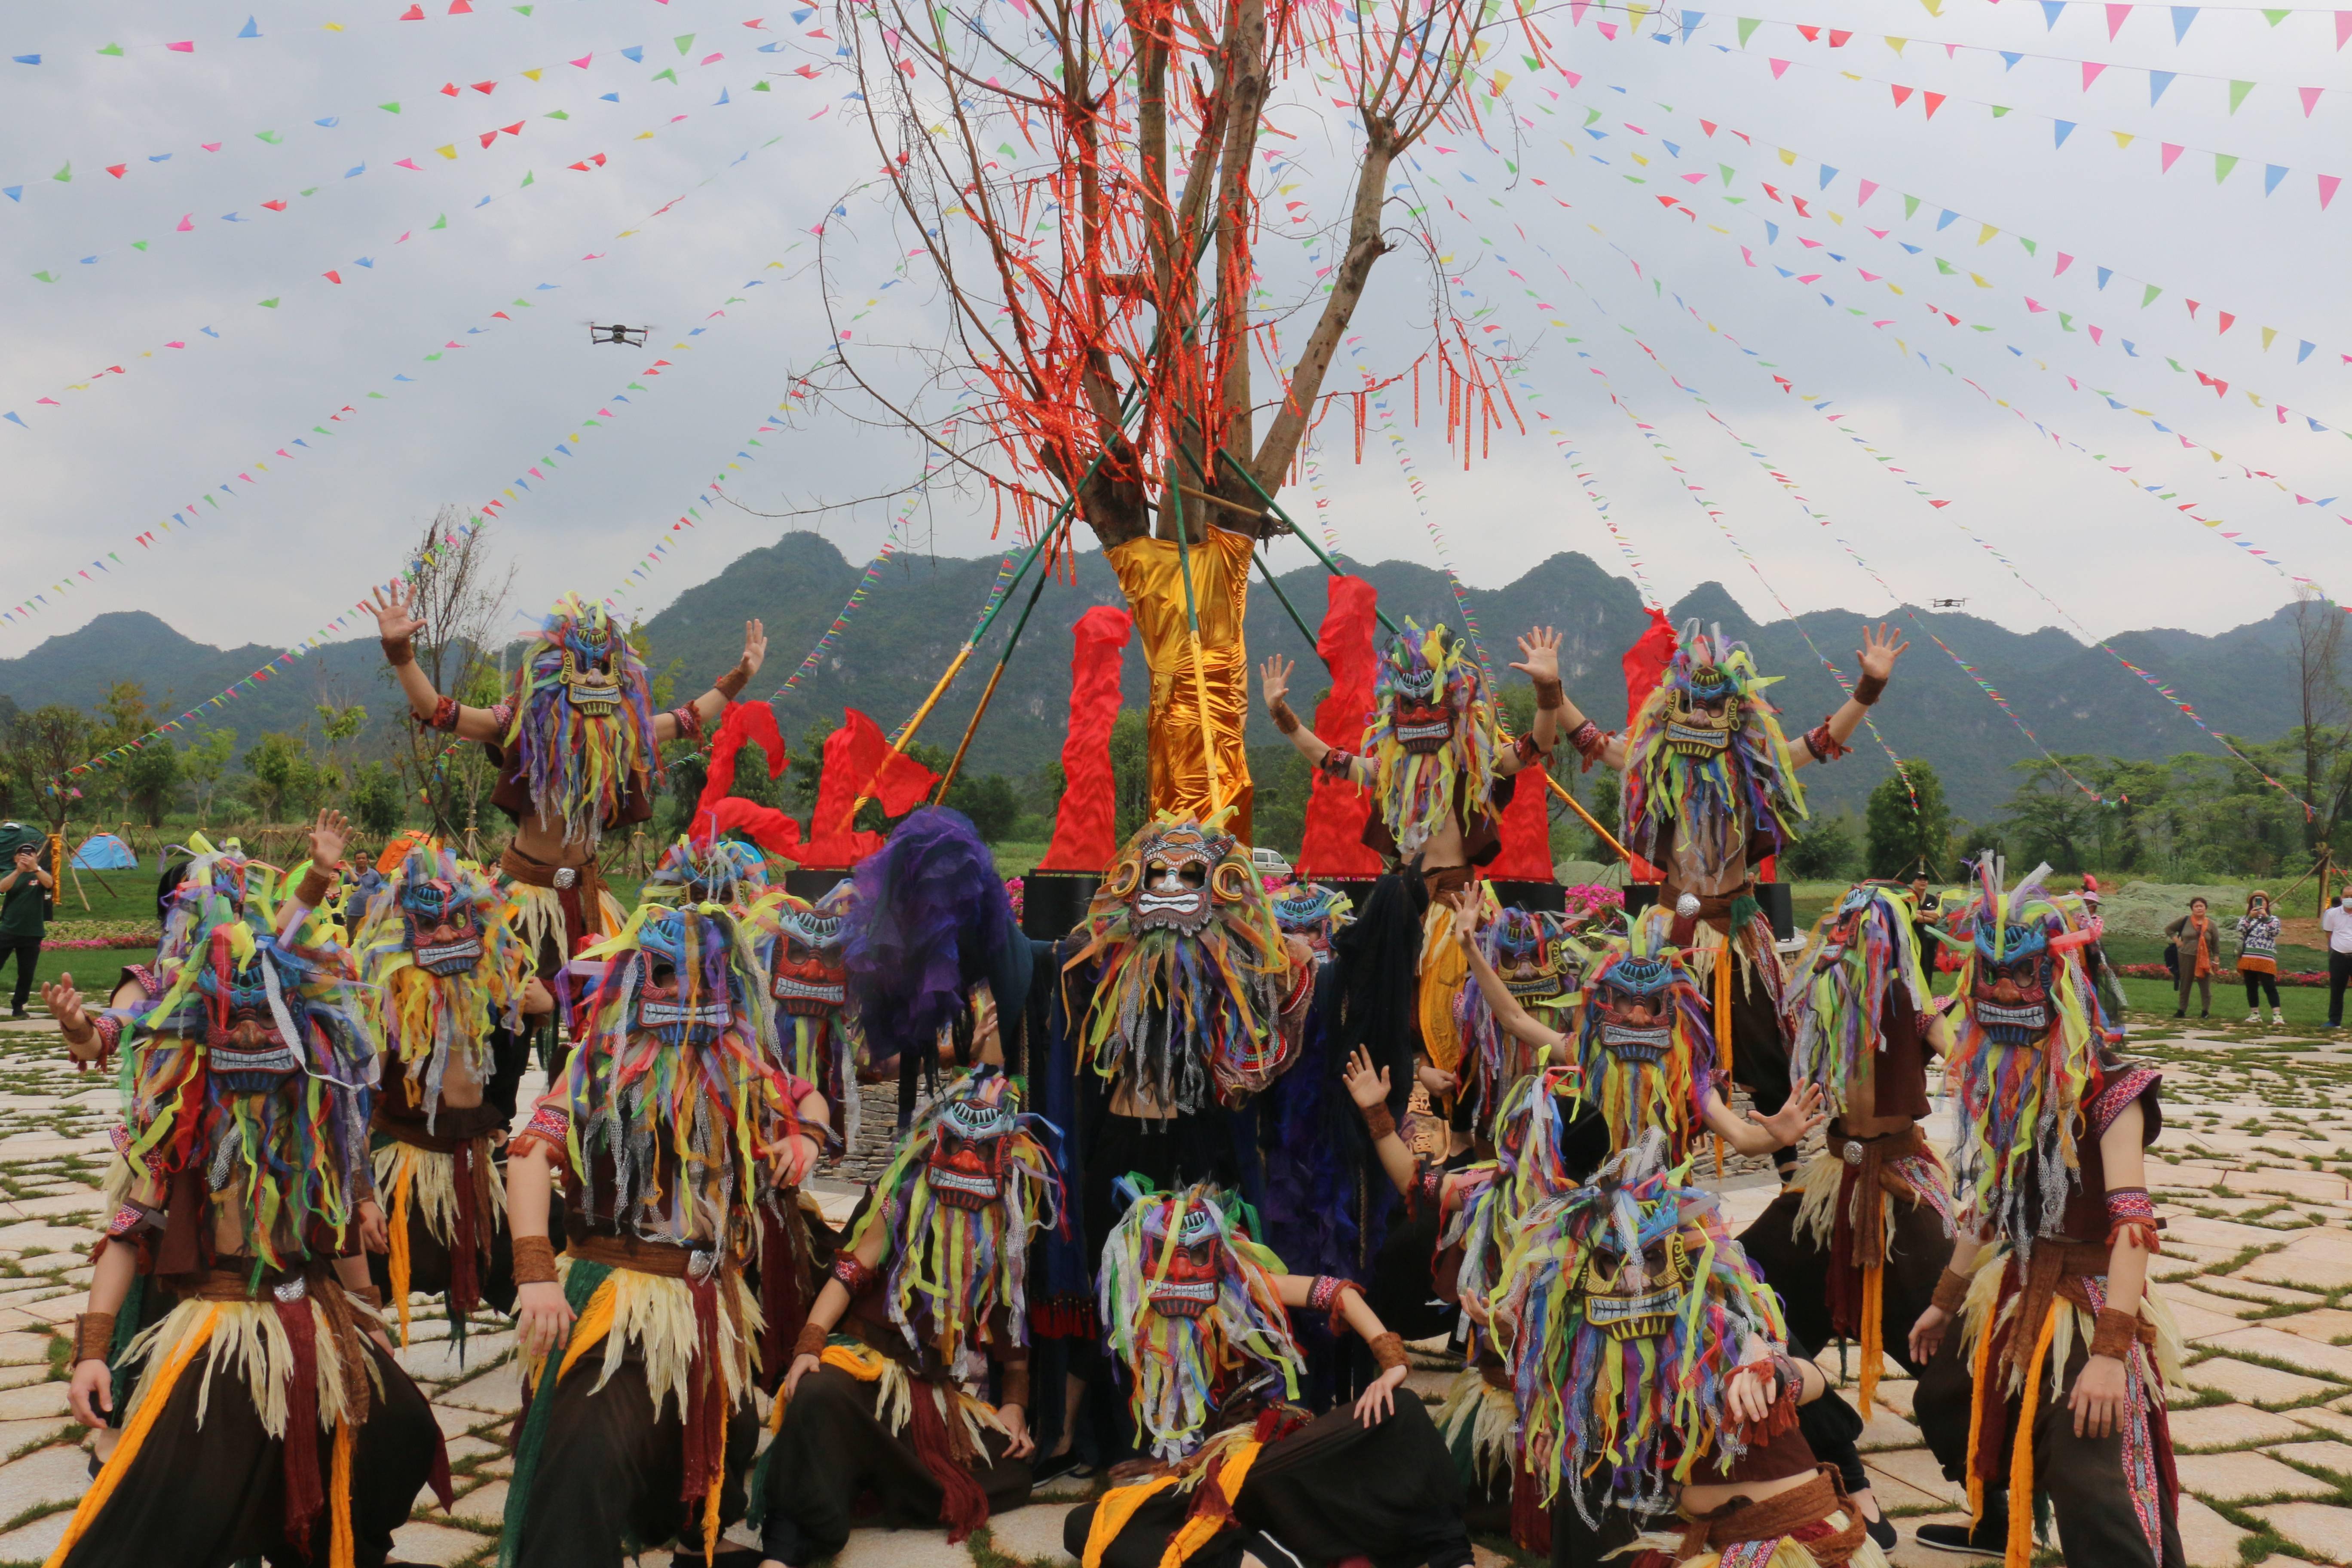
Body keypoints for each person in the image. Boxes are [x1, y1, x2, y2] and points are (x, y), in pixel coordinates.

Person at [40, 816, 446, 1568]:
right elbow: (127, 1232)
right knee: (168, 1508)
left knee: (404, 1430)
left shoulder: (316, 1114)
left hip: (313, 1316)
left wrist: (369, 1321)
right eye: (238, 1019)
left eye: (271, 1020)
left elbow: (341, 1231)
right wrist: (90, 1354)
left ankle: (334, 1547)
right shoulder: (181, 1123)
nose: (255, 1035)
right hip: (218, 1325)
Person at [499, 900, 827, 1568]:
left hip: (712, 1299)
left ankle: (695, 1538)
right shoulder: (598, 1061)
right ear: (638, 976)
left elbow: (807, 1095)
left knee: (727, 1432)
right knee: (593, 1442)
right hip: (619, 1295)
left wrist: (806, 1137)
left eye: (705, 977)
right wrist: (535, 1269)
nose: (687, 993)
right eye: (669, 974)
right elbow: (533, 1151)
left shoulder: (745, 1060)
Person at [1547, 620, 1908, 1180]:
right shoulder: (1655, 766)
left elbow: (1820, 741)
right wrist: (1552, 690)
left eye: (1715, 707)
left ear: (1736, 713)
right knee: (1660, 1043)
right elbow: (1594, 742)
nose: (1701, 717)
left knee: (1768, 1048)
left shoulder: (1755, 770)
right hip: (1673, 932)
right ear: (1671, 710)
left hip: (1739, 930)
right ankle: (1661, 1170)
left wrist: (1869, 688)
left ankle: (1790, 1176)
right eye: (1690, 704)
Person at [1908, 859, 2182, 1567]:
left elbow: (2131, 1225)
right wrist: (1945, 1297)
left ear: (2060, 978)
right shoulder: (1998, 1077)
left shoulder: (2113, 1091)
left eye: (2022, 973)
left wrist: (2110, 1352)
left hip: (2087, 1298)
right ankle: (2002, 1519)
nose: (2003, 988)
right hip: (2012, 1285)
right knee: (1944, 1396)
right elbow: (1992, 1198)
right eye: (1991, 973)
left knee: (2090, 1472)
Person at [370, 585, 767, 1010]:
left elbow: (690, 716)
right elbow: (439, 711)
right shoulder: (516, 725)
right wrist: (400, 653)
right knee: (510, 1019)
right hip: (521, 899)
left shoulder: (624, 733)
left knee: (599, 1024)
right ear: (552, 668)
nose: (594, 677)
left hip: (591, 901)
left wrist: (741, 675)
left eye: (603, 666)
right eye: (580, 665)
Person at [1062, 1178, 1474, 1568]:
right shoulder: (1137, 1324)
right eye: (1168, 1257)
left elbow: (1339, 1293)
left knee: (1400, 1410)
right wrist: (1165, 1473)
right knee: (1084, 1526)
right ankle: (1266, 1553)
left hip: (1278, 1457)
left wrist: (1392, 1364)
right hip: (1216, 1484)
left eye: (1198, 1254)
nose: (1184, 1272)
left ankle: (1448, 1552)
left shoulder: (1245, 1287)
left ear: (1219, 1254)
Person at [1730, 881, 1957, 1552]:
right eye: (1845, 930)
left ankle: (1996, 1493)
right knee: (1749, 1288)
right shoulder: (1821, 1004)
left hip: (1900, 1183)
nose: (1851, 942)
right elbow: (1764, 995)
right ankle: (1829, 1464)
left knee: (1943, 1331)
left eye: (1865, 933)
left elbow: (1970, 1054)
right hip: (1831, 1181)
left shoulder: (1916, 1010)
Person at [759, 1067, 1057, 1567]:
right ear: (934, 1140)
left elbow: (1011, 1325)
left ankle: (864, 1476)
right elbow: (848, 1273)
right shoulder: (901, 1194)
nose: (966, 1157)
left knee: (1010, 1476)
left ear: (1006, 1158)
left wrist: (1015, 1407)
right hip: (869, 1368)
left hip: (935, 1399)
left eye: (983, 1150)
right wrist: (809, 1346)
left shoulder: (1007, 1222)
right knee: (818, 1393)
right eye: (957, 1142)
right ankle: (786, 1550)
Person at [1450, 891, 1826, 1166]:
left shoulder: (1685, 1078)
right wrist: (1471, 948)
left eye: (1652, 1005)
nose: (1638, 1017)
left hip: (1661, 1218)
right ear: (1604, 1002)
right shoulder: (1584, 1053)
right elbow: (1514, 1019)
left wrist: (1775, 1136)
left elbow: (1744, 1139)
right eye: (1625, 1002)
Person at [350, 838, 538, 1349]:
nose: (447, 936)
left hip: (477, 1160)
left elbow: (536, 1005)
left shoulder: (486, 982)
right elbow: (358, 1094)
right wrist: (361, 1194)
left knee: (543, 1252)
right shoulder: (389, 996)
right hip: (406, 1168)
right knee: (352, 1275)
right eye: (429, 925)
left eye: (459, 920)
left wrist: (501, 954)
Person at [0, 829, 54, 1020]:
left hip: (32, 933)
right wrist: (18, 871)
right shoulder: (9, 873)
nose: (26, 857)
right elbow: (2, 888)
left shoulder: (40, 876)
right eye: (22, 855)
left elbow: (50, 884)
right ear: (15, 858)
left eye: (30, 854)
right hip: (7, 930)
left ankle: (18, 1006)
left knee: (26, 973)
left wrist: (36, 868)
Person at [2233, 890, 2285, 1026]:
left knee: (2270, 986)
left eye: (2263, 901)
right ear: (2251, 904)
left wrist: (2266, 917)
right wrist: (2250, 917)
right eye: (2255, 901)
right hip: (2249, 957)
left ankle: (2277, 1015)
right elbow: (2241, 929)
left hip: (2266, 958)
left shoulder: (2273, 919)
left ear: (2268, 904)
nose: (2259, 904)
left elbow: (2275, 931)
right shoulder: (2246, 919)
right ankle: (2255, 1014)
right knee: (2251, 986)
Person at [2163, 897, 2220, 1019]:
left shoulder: (2211, 925)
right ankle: (2182, 1010)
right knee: (2186, 983)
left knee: (2205, 985)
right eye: (2196, 906)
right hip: (2186, 956)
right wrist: (2177, 941)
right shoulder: (2185, 920)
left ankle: (2205, 1011)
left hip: (2204, 959)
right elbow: (2169, 929)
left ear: (2206, 908)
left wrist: (2216, 959)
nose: (2199, 908)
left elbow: (2216, 943)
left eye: (2201, 906)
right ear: (2192, 909)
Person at [2328, 882, 2352, 1030]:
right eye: (2347, 896)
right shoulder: (2332, 914)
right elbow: (2328, 934)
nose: (2349, 899)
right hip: (2339, 956)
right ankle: (2334, 1021)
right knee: (2337, 989)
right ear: (2341, 898)